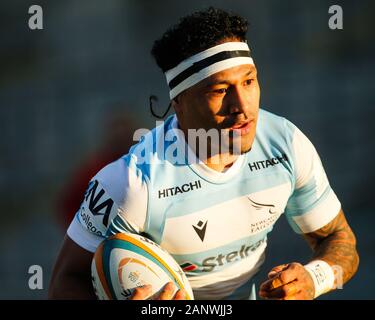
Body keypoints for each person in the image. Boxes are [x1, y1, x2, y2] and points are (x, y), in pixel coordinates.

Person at [49, 7, 359, 300]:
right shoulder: (131, 183)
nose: (242, 106)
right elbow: (64, 282)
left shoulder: (287, 144)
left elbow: (340, 242)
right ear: (179, 103)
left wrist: (314, 278)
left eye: (249, 81)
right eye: (221, 90)